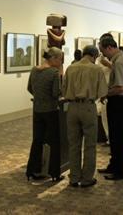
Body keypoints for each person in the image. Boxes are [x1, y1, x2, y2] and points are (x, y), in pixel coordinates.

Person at [62, 45, 108, 188]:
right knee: (89, 144)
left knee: (73, 144)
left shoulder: (71, 68)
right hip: (88, 107)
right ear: (94, 57)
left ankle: (74, 178)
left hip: (72, 107)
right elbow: (102, 92)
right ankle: (87, 178)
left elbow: (63, 90)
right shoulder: (96, 69)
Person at [25, 47, 63, 182]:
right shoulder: (53, 72)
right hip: (51, 110)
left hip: (37, 109)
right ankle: (54, 172)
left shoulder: (35, 70)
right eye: (60, 59)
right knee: (54, 141)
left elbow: (29, 87)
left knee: (37, 140)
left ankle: (32, 169)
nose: (61, 62)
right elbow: (55, 93)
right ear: (53, 58)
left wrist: (39, 97)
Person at [97, 34, 123, 181]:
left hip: (118, 102)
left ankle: (121, 171)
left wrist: (105, 94)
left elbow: (120, 87)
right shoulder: (120, 59)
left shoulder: (118, 62)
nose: (103, 55)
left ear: (109, 47)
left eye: (103, 51)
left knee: (118, 138)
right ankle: (114, 165)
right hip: (119, 102)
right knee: (115, 136)